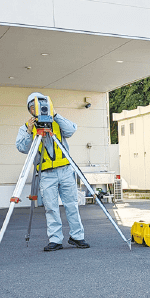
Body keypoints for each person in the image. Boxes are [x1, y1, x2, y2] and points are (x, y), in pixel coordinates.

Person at [16, 92, 90, 251]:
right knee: (51, 208)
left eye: (41, 106)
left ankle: (77, 237)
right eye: (33, 107)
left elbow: (71, 130)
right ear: (29, 110)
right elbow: (22, 147)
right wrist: (30, 131)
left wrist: (54, 114)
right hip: (46, 174)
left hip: (65, 170)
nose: (37, 110)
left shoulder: (57, 122)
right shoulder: (26, 127)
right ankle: (55, 239)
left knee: (72, 205)